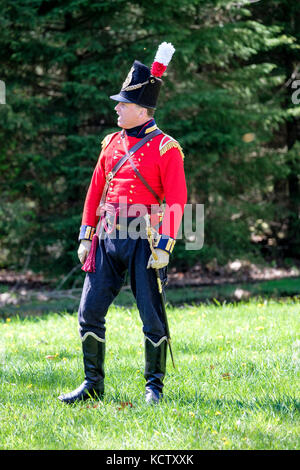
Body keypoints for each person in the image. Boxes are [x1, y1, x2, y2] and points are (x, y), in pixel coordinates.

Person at [58, 42, 187, 405]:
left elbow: (176, 203)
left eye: (123, 104)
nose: (116, 107)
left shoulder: (167, 148)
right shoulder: (110, 143)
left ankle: (154, 389)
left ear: (142, 110)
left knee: (152, 317)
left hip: (143, 240)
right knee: (89, 312)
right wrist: (86, 235)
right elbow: (94, 191)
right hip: (106, 237)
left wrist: (164, 246)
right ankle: (93, 385)